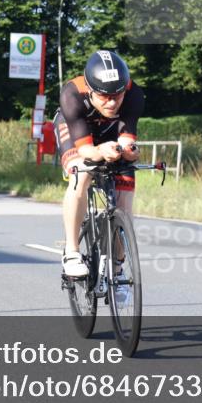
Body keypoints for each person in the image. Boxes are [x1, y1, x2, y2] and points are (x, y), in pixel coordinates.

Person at [54, 50, 144, 279]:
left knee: (125, 195)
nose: (112, 102)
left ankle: (117, 267)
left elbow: (127, 137)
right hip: (76, 130)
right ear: (91, 90)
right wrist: (99, 151)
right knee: (81, 174)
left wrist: (129, 151)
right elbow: (86, 150)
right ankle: (72, 253)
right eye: (104, 96)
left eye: (118, 95)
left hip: (109, 132)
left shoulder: (133, 94)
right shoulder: (72, 94)